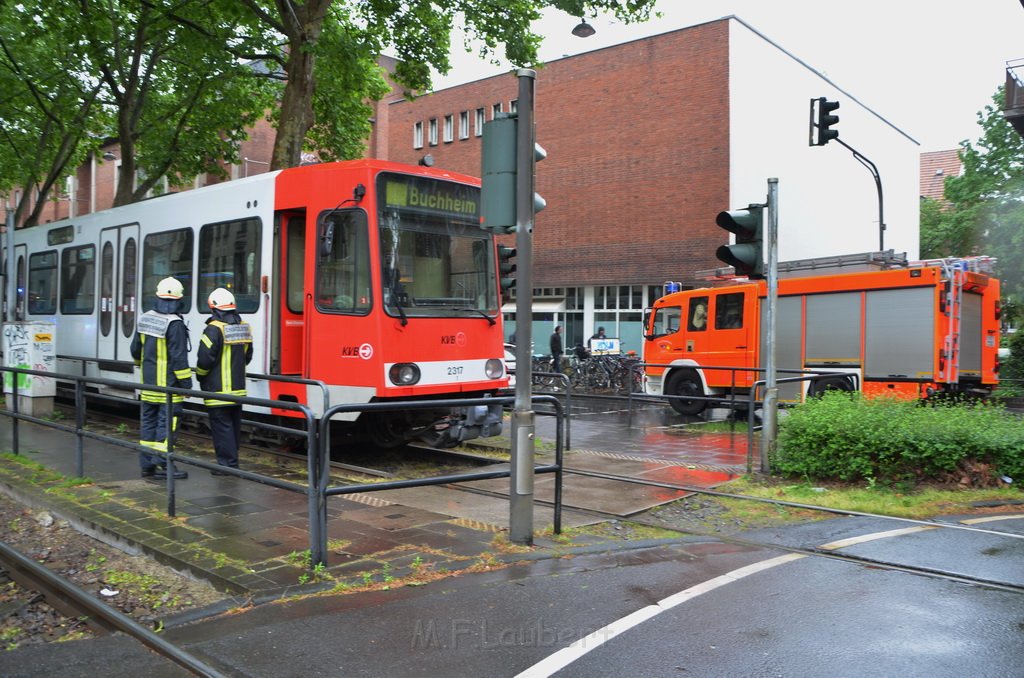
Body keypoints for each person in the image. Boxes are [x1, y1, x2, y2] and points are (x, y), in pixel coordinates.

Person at [130, 277, 191, 480]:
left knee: (148, 424)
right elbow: (179, 358)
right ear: (180, 298)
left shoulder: (145, 318)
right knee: (168, 426)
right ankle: (165, 465)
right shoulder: (175, 323)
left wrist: (142, 367)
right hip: (168, 387)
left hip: (148, 385)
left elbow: (135, 350)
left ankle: (147, 466)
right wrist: (186, 385)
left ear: (157, 295)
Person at [195, 288, 253, 474]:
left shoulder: (213, 329)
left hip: (217, 389)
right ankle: (232, 461)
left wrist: (200, 375)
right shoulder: (243, 326)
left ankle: (226, 465)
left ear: (214, 308)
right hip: (238, 388)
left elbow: (205, 359)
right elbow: (248, 356)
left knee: (221, 427)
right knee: (233, 426)